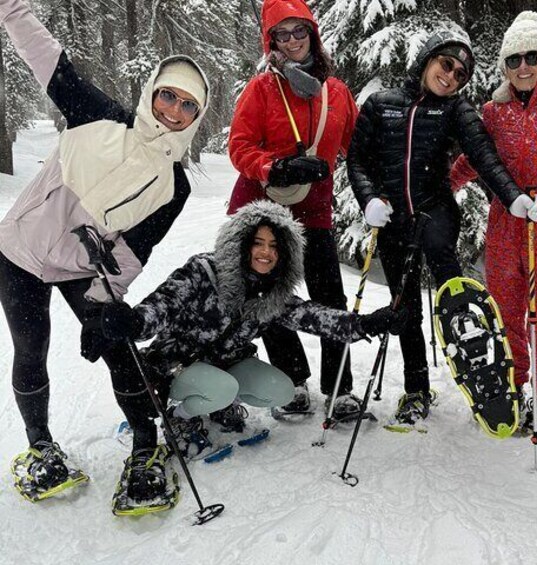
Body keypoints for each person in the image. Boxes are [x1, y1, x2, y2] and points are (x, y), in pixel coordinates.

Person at [0, 0, 209, 502]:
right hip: (20, 252)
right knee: (32, 348)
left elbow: (133, 253)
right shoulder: (98, 116)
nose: (174, 111)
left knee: (119, 348)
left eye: (188, 105)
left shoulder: (173, 185)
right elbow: (46, 56)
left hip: (80, 268)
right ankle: (40, 446)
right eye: (168, 96)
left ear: (197, 116)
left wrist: (102, 307)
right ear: (151, 92)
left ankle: (146, 446)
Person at [98, 201, 405, 488]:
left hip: (227, 361)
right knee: (222, 389)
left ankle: (218, 406)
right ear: (241, 244)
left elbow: (312, 316)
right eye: (258, 243)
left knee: (280, 390)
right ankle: (181, 419)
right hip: (177, 363)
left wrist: (365, 324)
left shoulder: (272, 293)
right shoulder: (204, 271)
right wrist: (134, 323)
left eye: (274, 246)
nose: (265, 253)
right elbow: (162, 305)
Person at [348, 30, 537, 430]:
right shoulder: (380, 104)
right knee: (404, 309)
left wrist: (512, 197)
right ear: (426, 60)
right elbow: (358, 160)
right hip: (392, 218)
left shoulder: (455, 110)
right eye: (446, 65)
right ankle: (417, 389)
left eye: (460, 74)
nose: (451, 76)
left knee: (455, 298)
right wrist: (369, 199)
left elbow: (484, 156)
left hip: (435, 212)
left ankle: (484, 382)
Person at [226, 0, 360, 420]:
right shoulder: (262, 88)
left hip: (315, 208)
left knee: (329, 297)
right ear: (272, 43)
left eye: (298, 31)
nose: (292, 41)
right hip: (262, 207)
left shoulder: (336, 92)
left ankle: (339, 389)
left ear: (313, 34)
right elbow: (239, 147)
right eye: (282, 34)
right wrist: (275, 166)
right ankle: (294, 383)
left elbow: (357, 149)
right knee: (268, 298)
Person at [450, 12, 537, 432]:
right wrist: (440, 188)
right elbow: (475, 158)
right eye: (514, 59)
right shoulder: (493, 111)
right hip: (505, 221)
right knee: (504, 312)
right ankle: (512, 383)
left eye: (532, 56)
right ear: (504, 65)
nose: (523, 67)